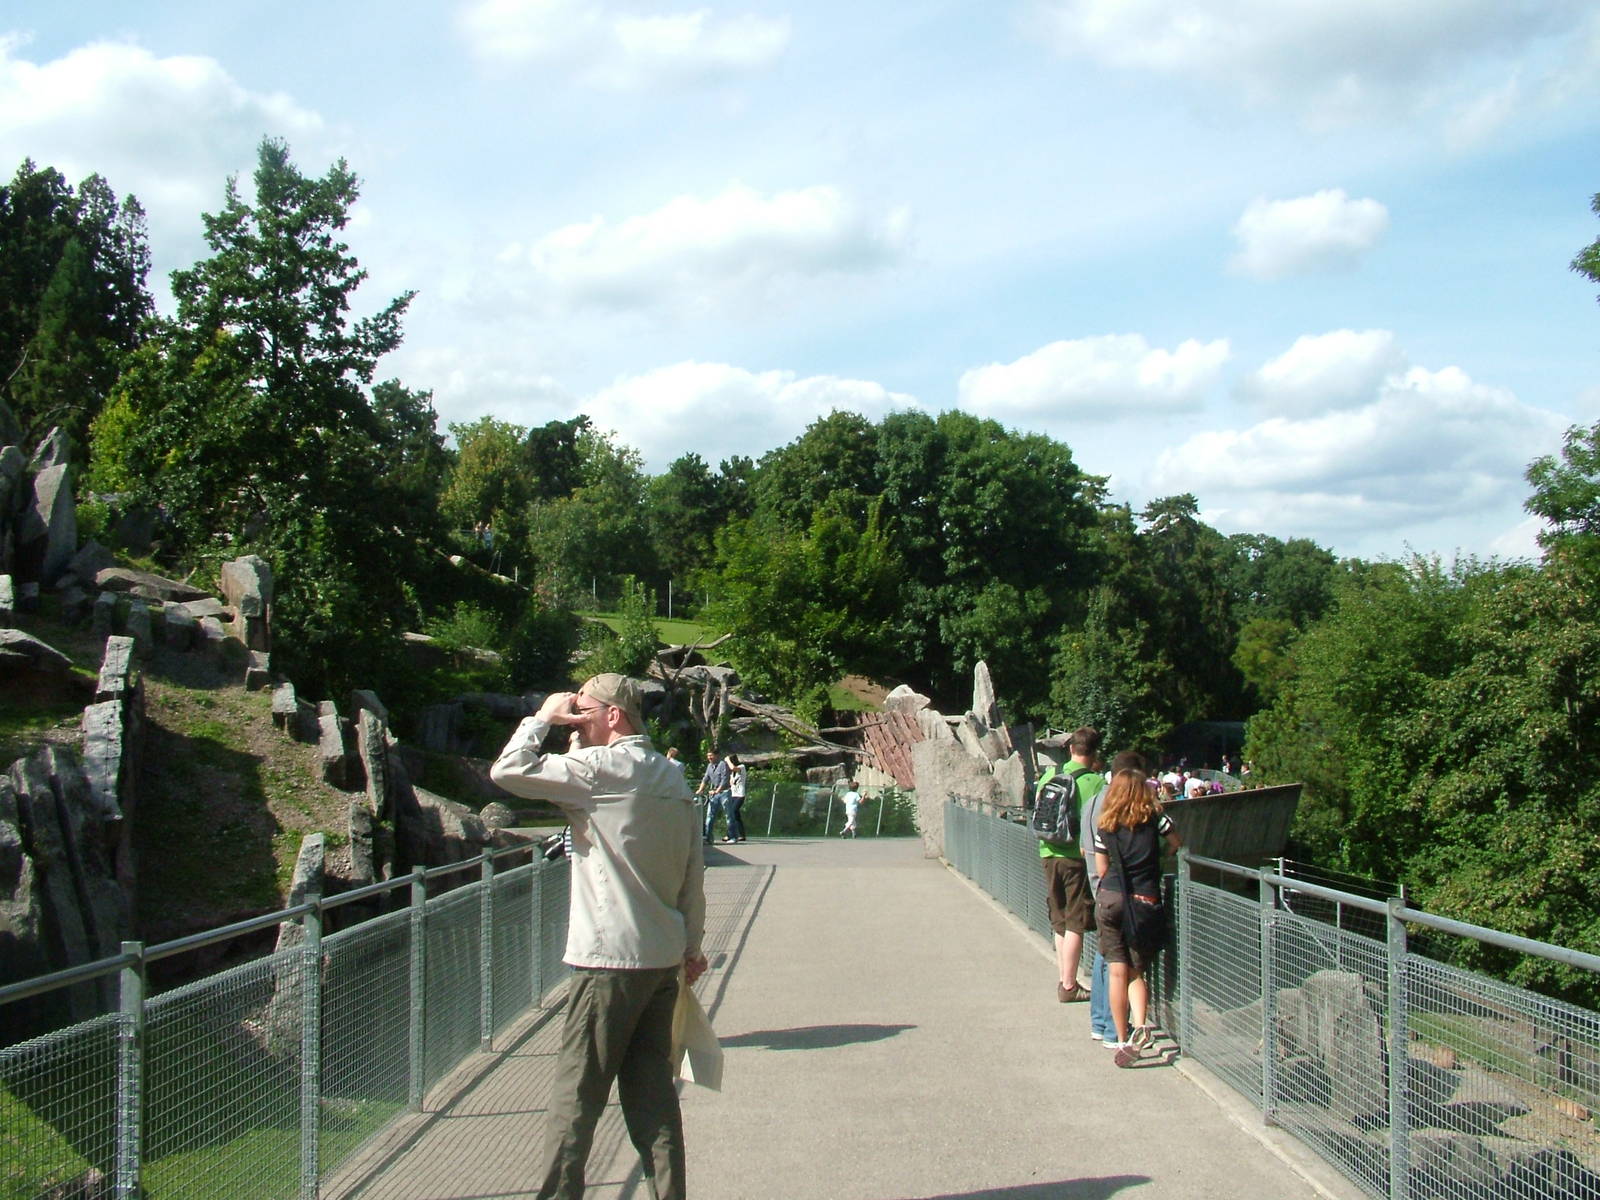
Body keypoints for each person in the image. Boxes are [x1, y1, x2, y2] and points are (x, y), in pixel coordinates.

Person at [489, 673, 707, 1200]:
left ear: (614, 715)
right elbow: (692, 874)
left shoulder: (600, 769)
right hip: (660, 960)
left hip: (608, 962)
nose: (573, 718)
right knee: (653, 1098)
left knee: (576, 1099)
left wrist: (542, 717)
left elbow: (508, 770)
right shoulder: (673, 777)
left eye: (581, 710)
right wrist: (691, 948)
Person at [1093, 767, 1181, 1068]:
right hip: (1144, 900)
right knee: (1135, 972)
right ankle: (1141, 1025)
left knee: (1116, 971)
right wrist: (1158, 862)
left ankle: (1121, 1037)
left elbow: (1102, 868)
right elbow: (1175, 843)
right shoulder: (1155, 819)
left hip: (1111, 898)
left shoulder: (1105, 824)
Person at [1081, 750, 1146, 1047]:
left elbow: (1087, 849)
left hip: (1099, 887)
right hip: (1119, 890)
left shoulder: (1092, 801)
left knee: (1103, 955)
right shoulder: (1119, 804)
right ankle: (1111, 1028)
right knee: (1117, 962)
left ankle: (1099, 1022)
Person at [1037, 727, 1103, 1004]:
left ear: (1071, 749)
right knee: (1076, 920)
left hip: (1048, 852)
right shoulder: (1095, 782)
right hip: (1076, 857)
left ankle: (1065, 976)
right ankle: (1069, 985)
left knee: (1060, 920)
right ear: (1095, 752)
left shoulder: (1049, 777)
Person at [695, 750, 730, 845]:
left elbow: (724, 779)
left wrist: (717, 790)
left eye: (711, 755)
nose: (709, 757)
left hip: (724, 792)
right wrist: (700, 790)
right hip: (714, 794)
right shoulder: (709, 766)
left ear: (717, 755)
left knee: (728, 816)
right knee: (709, 816)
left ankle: (732, 836)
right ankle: (708, 837)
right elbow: (705, 779)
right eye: (708, 756)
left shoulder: (723, 764)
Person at [723, 754, 747, 843]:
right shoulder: (731, 773)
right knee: (735, 815)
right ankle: (741, 834)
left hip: (740, 795)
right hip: (733, 794)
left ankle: (731, 834)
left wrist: (728, 760)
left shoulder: (741, 767)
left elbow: (733, 768)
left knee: (732, 812)